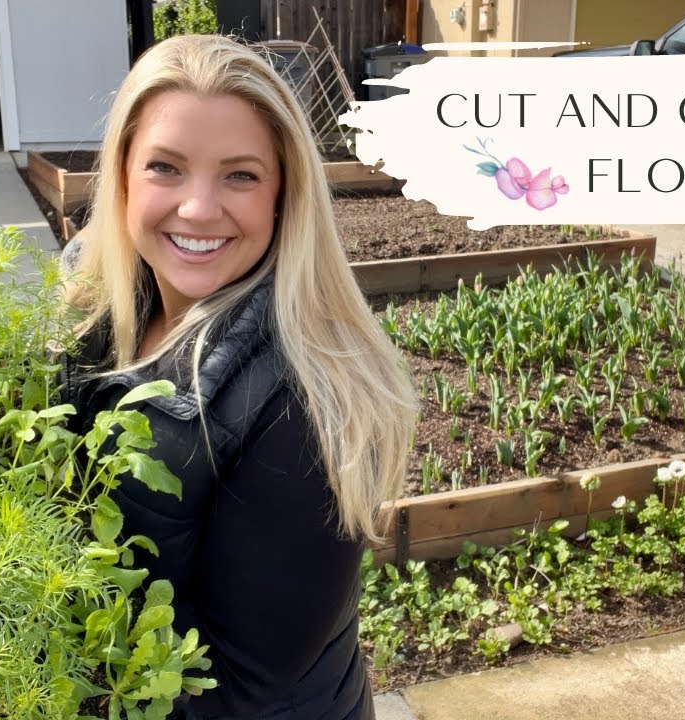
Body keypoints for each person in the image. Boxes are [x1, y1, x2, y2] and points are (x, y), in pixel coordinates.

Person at [60, 34, 417, 720]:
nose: (198, 208)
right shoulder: (94, 303)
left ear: (284, 195)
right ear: (124, 175)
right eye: (166, 166)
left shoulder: (305, 406)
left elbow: (224, 692)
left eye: (240, 175)